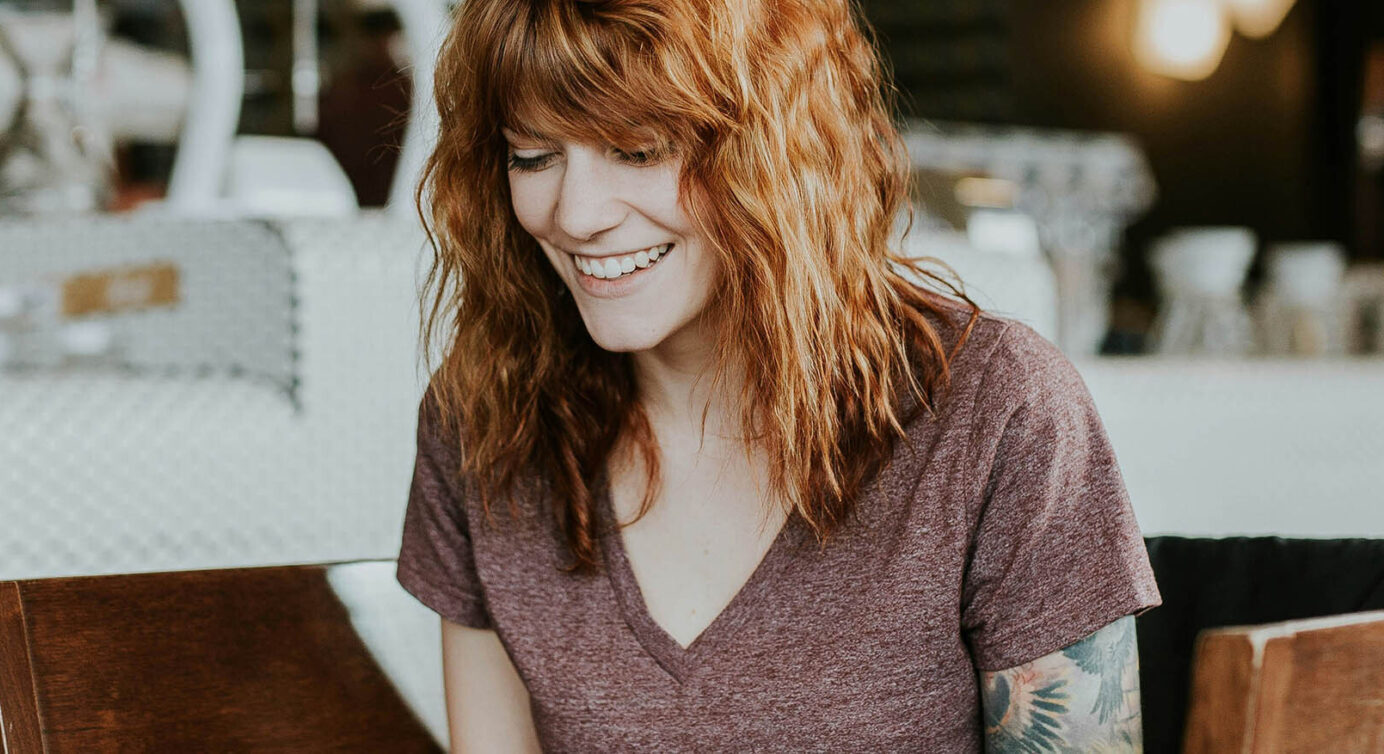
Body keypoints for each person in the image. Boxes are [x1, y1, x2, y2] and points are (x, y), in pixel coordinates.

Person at [394, 0, 1162, 750]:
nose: (577, 213)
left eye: (639, 150)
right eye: (533, 155)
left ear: (777, 146)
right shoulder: (483, 423)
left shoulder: (999, 410)